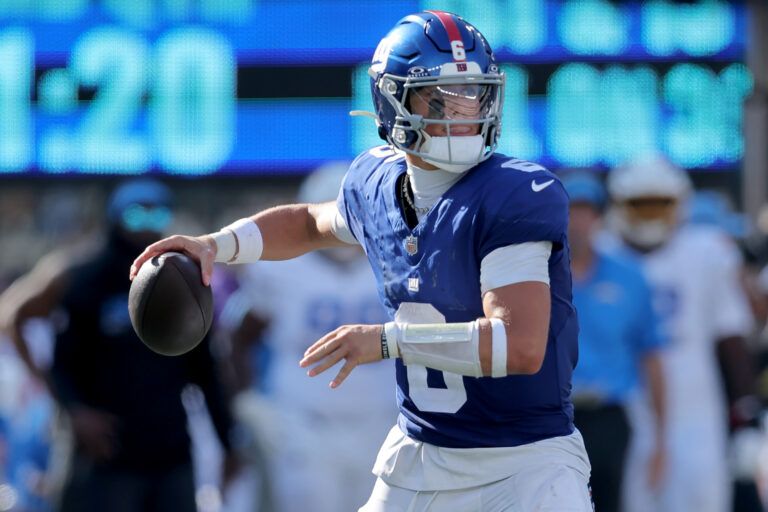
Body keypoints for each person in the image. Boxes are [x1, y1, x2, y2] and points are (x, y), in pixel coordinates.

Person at [131, 11, 593, 511]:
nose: (463, 111)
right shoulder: (376, 185)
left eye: (473, 92)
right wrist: (215, 245)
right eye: (440, 96)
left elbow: (519, 346)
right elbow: (309, 224)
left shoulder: (517, 194)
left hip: (523, 465)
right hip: (422, 456)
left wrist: (384, 341)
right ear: (392, 99)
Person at [0, 179, 238, 512]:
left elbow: (204, 370)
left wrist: (228, 441)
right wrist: (69, 407)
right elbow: (13, 316)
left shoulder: (183, 282)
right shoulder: (79, 274)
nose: (145, 227)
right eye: (136, 216)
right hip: (104, 452)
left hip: (168, 449)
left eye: (157, 216)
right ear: (115, 218)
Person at [217, 162, 398, 511]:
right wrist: (248, 400)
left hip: (384, 421)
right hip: (305, 424)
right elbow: (239, 335)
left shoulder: (396, 259)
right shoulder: (281, 267)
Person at [604, 156, 758, 512]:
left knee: (702, 501)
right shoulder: (601, 254)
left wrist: (746, 414)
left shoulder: (708, 251)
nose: (649, 216)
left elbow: (730, 338)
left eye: (659, 205)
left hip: (698, 409)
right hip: (625, 408)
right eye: (640, 206)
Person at [562, 171, 667, 512]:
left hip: (609, 415)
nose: (577, 221)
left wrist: (662, 438)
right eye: (569, 210)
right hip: (554, 415)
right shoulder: (537, 277)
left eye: (585, 211)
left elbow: (651, 357)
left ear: (599, 217)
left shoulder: (629, 276)